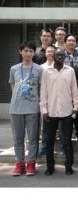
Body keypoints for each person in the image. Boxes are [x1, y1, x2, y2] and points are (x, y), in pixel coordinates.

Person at [40, 48, 78, 176]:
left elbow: (74, 91)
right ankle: (50, 167)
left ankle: (69, 166)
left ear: (65, 57)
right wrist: (44, 110)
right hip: (50, 112)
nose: (60, 57)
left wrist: (76, 107)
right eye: (58, 55)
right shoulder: (46, 71)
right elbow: (43, 93)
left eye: (63, 55)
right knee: (49, 141)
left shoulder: (70, 71)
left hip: (67, 111)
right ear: (53, 56)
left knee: (66, 141)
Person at [9, 41, 43, 176]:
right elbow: (12, 85)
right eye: (26, 51)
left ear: (34, 53)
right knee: (18, 138)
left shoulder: (39, 69)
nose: (28, 53)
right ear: (20, 52)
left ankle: (31, 163)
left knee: (33, 138)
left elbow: (41, 88)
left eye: (31, 51)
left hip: (33, 108)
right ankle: (19, 163)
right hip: (16, 108)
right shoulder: (14, 69)